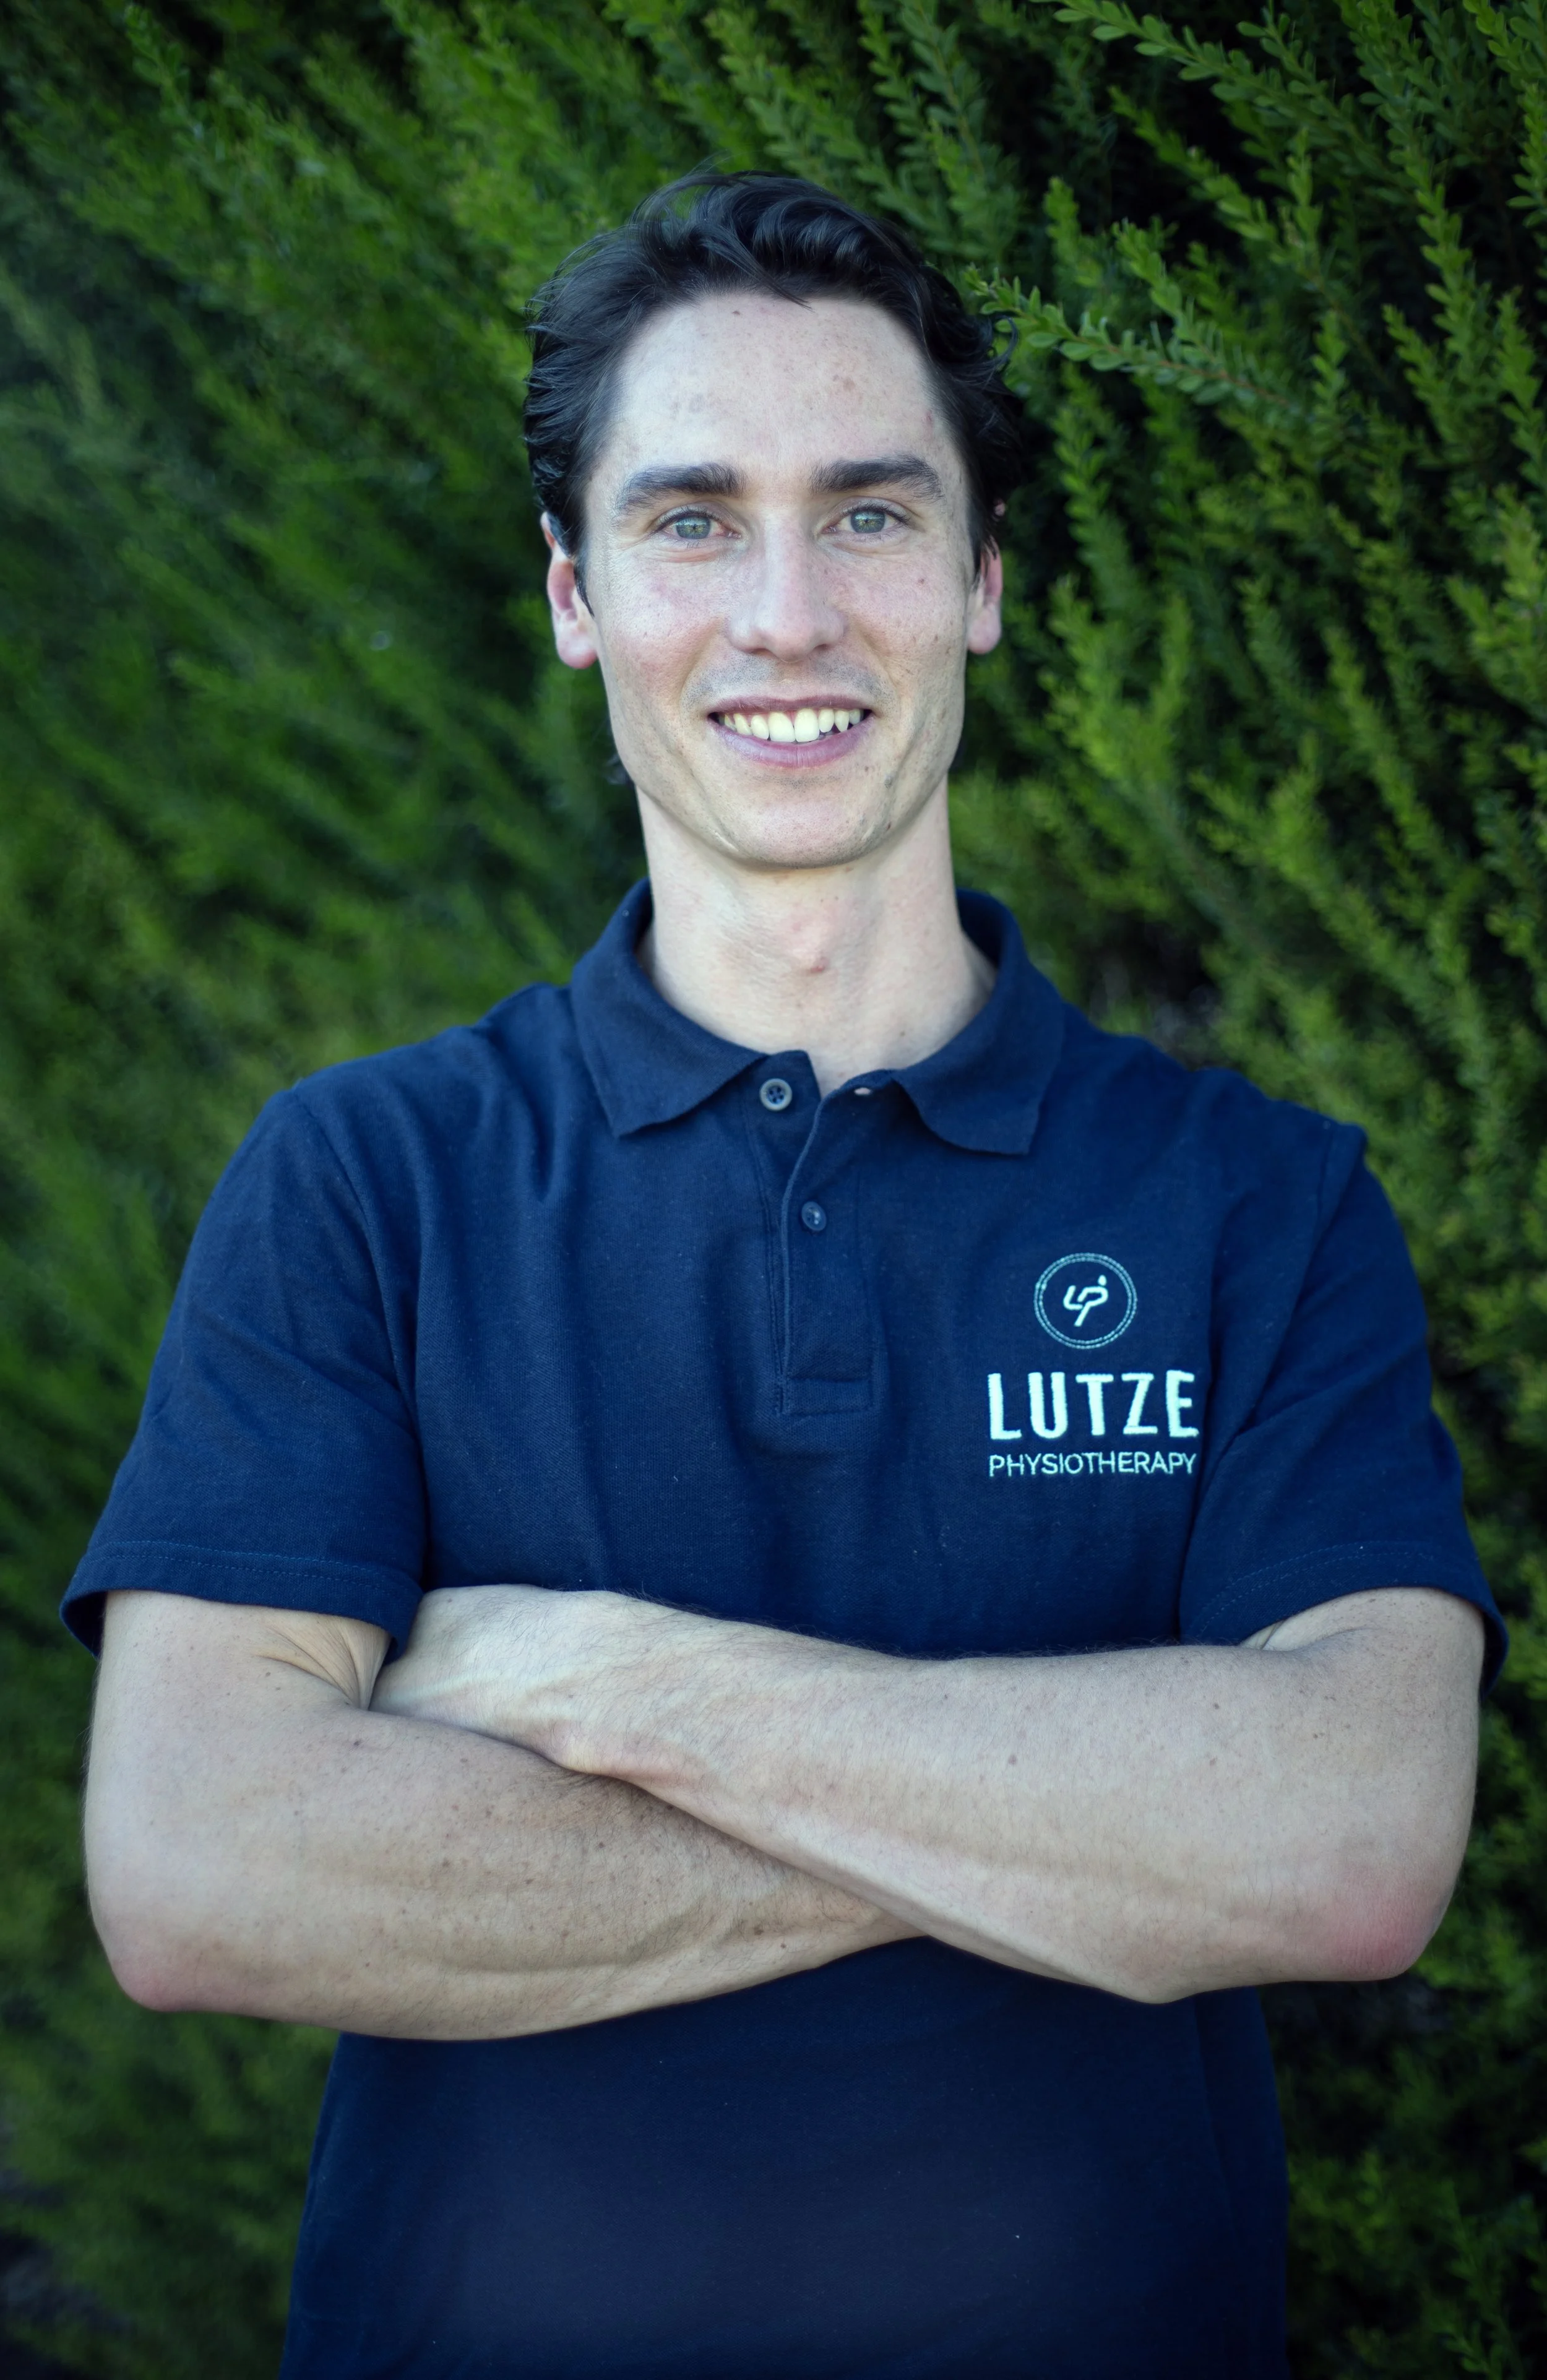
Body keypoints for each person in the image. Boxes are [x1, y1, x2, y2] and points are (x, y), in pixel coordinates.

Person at [70, 173, 1501, 2380]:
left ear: (982, 577)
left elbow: (1342, 1845)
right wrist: (1081, 1836)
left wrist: (614, 1685)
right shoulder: (367, 1175)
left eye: (867, 513)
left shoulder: (1254, 1199)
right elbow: (200, 1868)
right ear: (574, 594)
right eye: (689, 520)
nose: (785, 612)